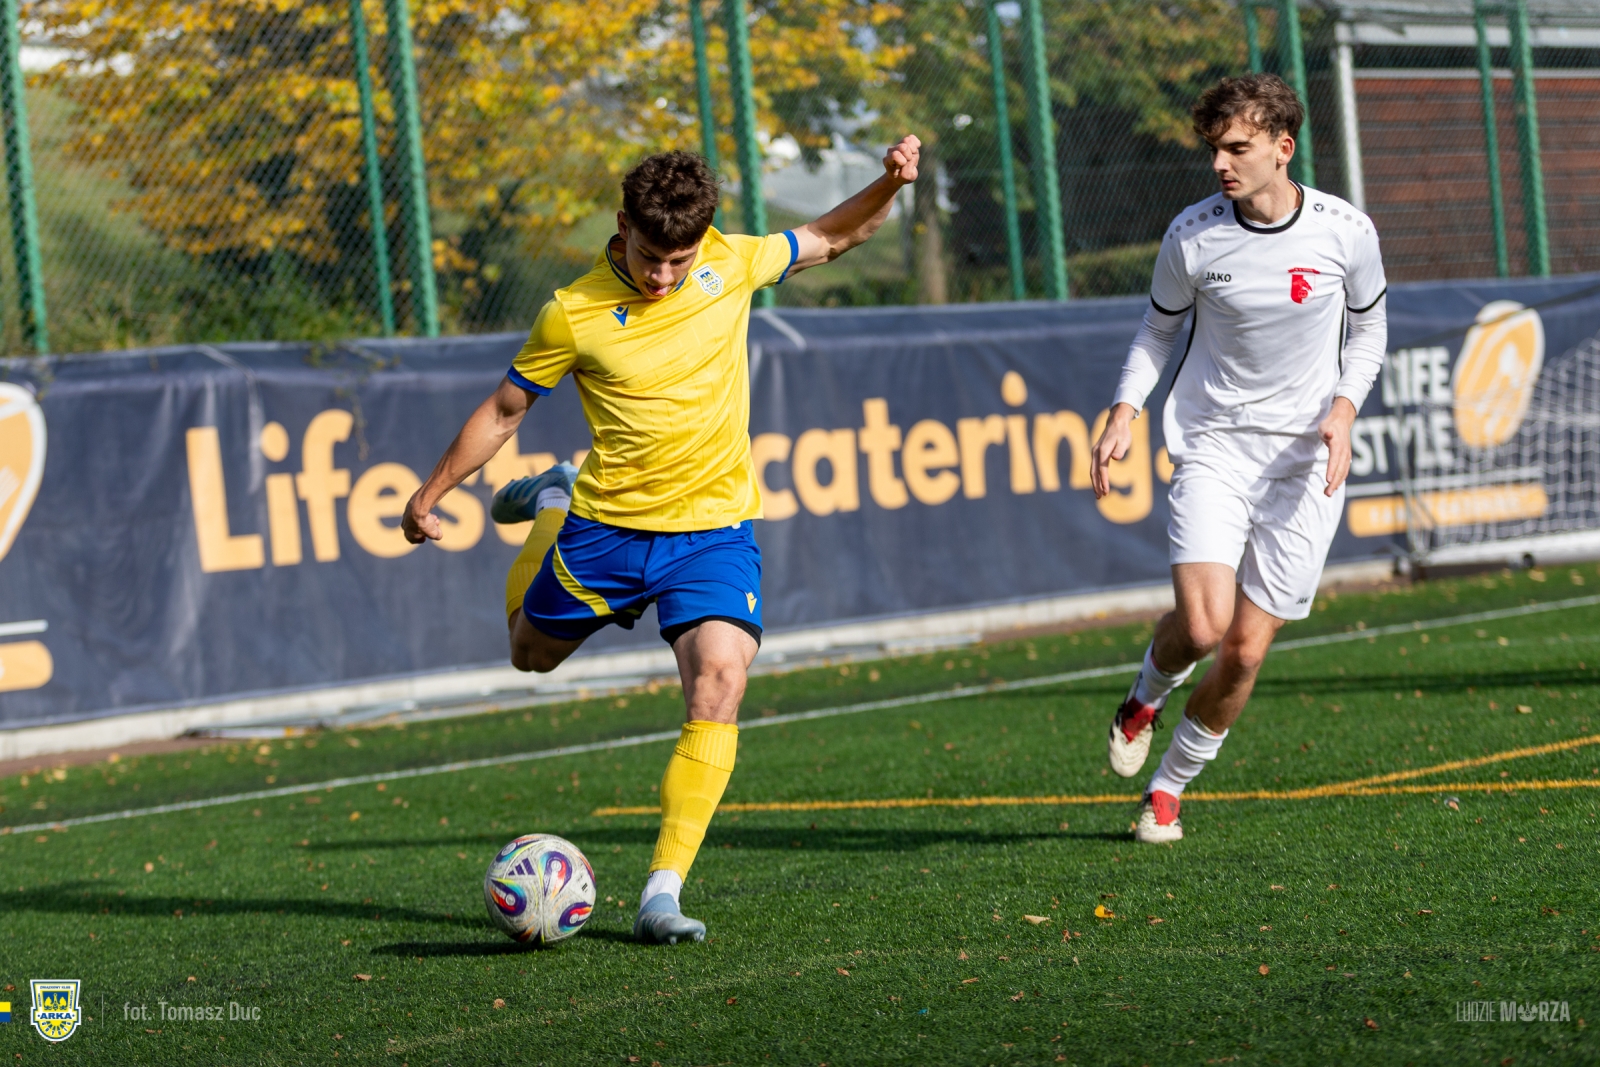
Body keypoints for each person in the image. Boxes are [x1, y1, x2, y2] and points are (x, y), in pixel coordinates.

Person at [401, 140, 922, 940]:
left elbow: (832, 235)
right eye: (650, 257)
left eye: (679, 260)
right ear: (623, 226)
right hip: (606, 531)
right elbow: (505, 411)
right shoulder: (573, 312)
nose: (663, 277)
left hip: (711, 533)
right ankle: (554, 498)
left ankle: (661, 893)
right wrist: (430, 492)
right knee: (528, 653)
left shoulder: (730, 261)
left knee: (720, 679)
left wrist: (888, 182)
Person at [1090, 74, 1387, 844]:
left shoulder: (1346, 230)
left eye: (1237, 148)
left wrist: (1344, 410)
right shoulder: (1192, 234)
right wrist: (1125, 410)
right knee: (1202, 626)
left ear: (1283, 148)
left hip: (1304, 464)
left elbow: (1369, 332)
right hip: (1215, 446)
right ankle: (1143, 697)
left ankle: (1168, 787)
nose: (1220, 163)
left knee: (1246, 651)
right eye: (1214, 149)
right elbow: (1157, 332)